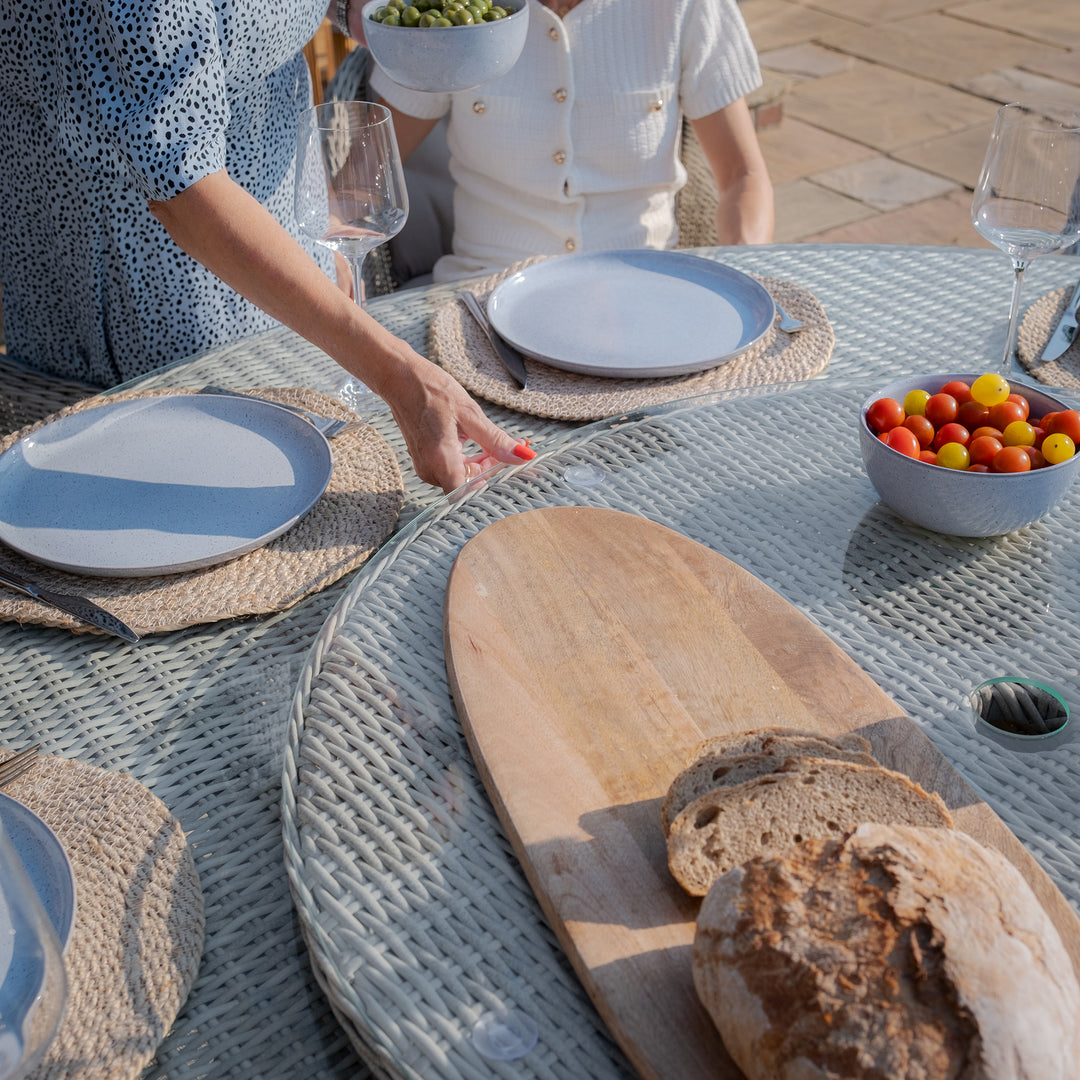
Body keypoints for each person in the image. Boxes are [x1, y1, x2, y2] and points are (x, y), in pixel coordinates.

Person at [0, 0, 531, 492]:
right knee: (208, 504)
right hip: (162, 280)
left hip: (287, 255)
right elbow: (179, 183)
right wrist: (401, 375)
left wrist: (364, 12)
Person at [343, 0, 774, 283]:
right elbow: (360, 182)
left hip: (646, 290)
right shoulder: (455, 15)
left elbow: (743, 175)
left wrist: (745, 276)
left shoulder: (684, 6)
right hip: (481, 299)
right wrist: (335, 268)